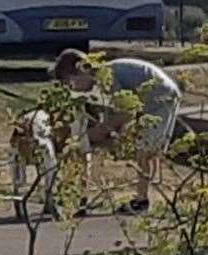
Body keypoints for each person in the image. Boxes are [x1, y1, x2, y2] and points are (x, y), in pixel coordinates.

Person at [52, 49, 181, 213]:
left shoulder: (108, 76)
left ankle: (141, 201)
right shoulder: (105, 77)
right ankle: (142, 197)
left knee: (146, 151)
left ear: (81, 70)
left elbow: (127, 112)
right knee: (149, 151)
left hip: (160, 98)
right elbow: (122, 107)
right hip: (159, 96)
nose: (73, 88)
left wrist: (103, 129)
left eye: (71, 82)